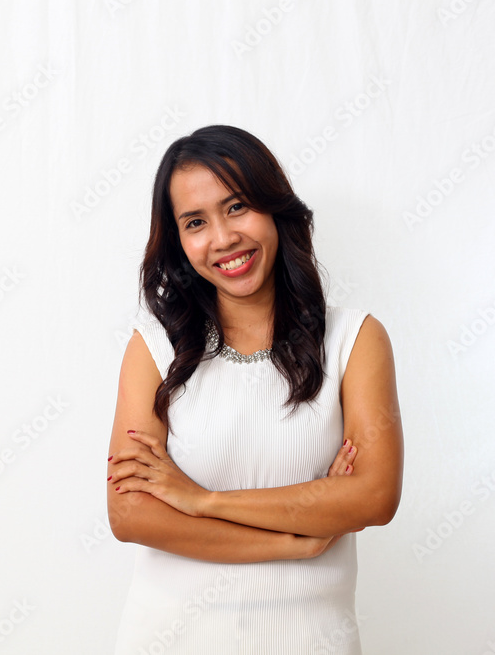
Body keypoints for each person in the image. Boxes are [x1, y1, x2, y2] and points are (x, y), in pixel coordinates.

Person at [106, 125, 403, 654]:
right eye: (195, 222)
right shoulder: (154, 346)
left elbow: (374, 497)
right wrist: (300, 540)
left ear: (275, 209)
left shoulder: (354, 339)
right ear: (179, 242)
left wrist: (201, 500)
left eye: (238, 207)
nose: (222, 239)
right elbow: (131, 515)